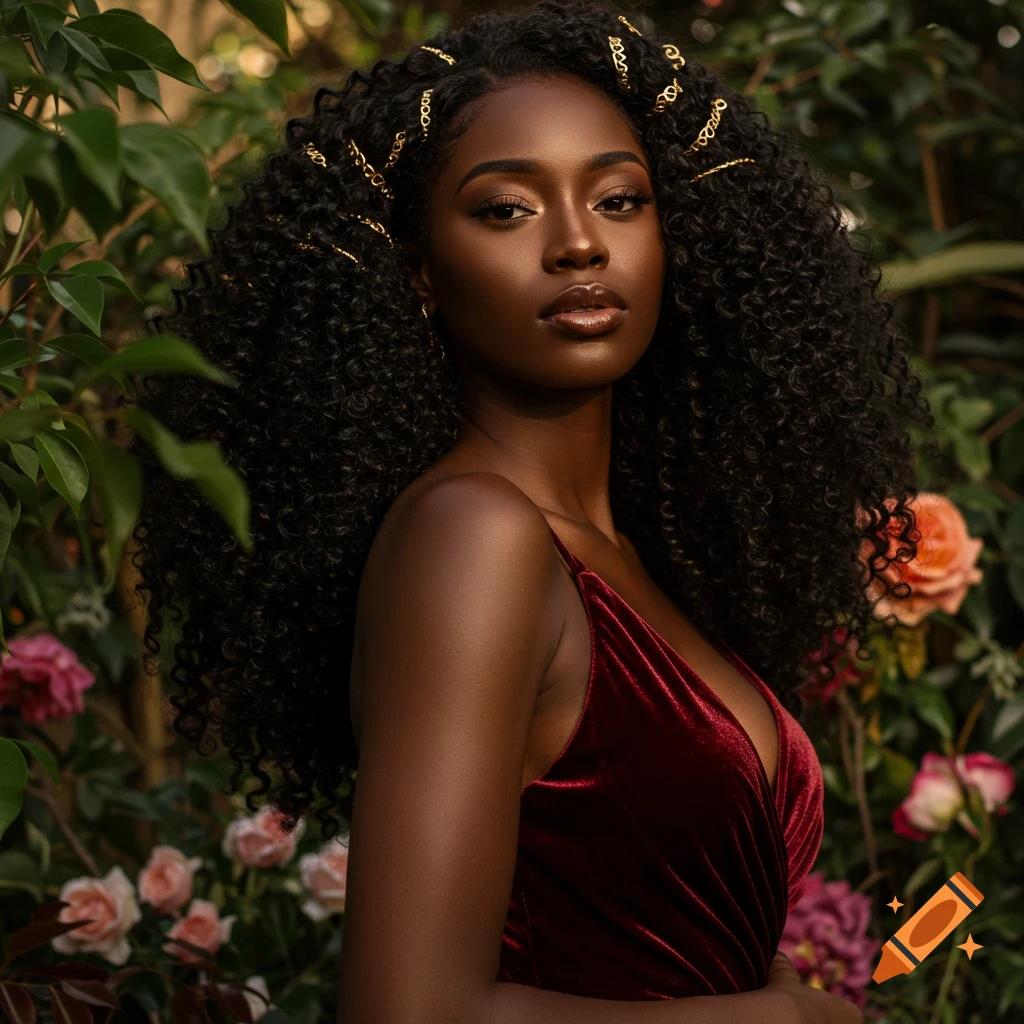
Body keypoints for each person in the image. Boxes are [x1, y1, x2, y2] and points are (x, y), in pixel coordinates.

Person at [129, 1, 933, 1021]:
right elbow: (405, 1010)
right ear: (417, 271)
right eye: (505, 209)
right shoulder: (473, 536)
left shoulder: (619, 549)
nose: (577, 246)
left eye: (619, 199)